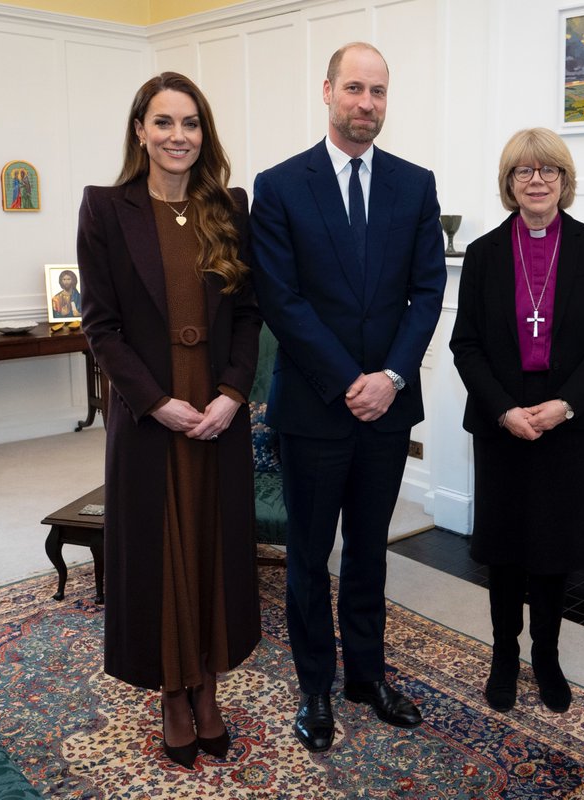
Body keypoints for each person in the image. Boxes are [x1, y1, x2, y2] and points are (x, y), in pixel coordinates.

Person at [250, 42, 446, 753]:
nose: (368, 103)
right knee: (309, 555)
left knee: (370, 549)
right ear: (328, 91)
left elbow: (427, 293)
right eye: (356, 89)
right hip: (312, 407)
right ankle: (314, 689)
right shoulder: (277, 186)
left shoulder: (415, 184)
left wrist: (389, 378)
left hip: (388, 408)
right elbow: (282, 299)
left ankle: (366, 675)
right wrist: (347, 382)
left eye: (380, 92)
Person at [76, 71, 261, 769]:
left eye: (190, 124)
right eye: (164, 123)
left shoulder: (229, 208)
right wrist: (156, 401)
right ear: (139, 131)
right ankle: (171, 695)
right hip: (151, 412)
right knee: (162, 555)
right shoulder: (105, 209)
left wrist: (231, 395)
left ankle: (207, 687)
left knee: (212, 548)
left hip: (217, 409)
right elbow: (102, 326)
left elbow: (248, 314)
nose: (178, 136)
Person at [449, 128, 584, 714]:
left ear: (565, 181)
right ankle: (504, 654)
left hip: (567, 417)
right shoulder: (482, 254)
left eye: (548, 170)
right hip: (504, 415)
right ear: (509, 184)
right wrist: (503, 409)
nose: (537, 180)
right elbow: (465, 344)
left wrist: (566, 404)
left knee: (553, 546)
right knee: (505, 546)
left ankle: (546, 657)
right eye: (523, 172)